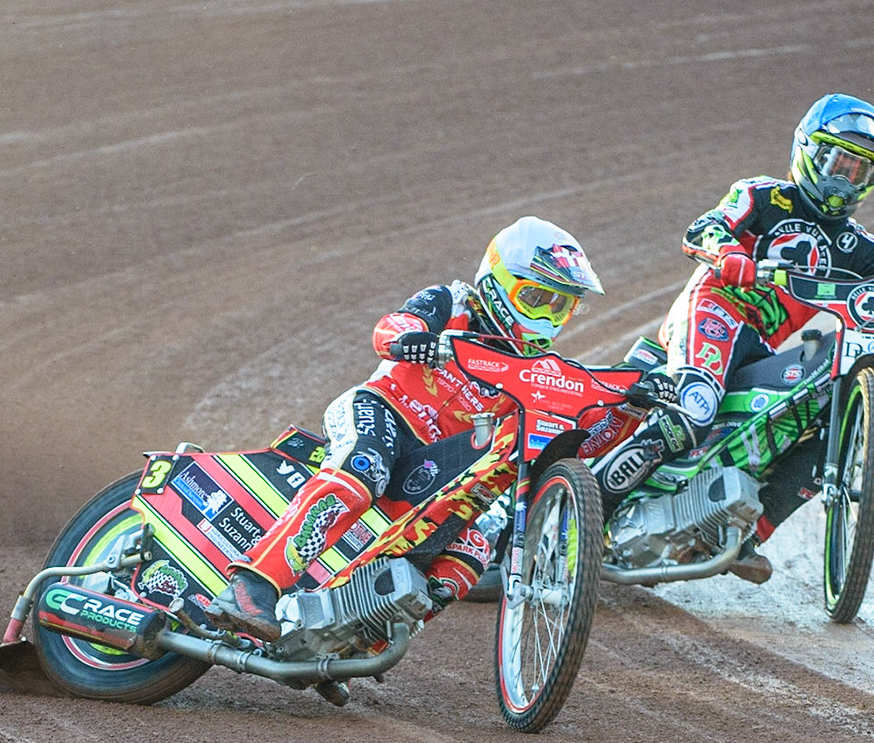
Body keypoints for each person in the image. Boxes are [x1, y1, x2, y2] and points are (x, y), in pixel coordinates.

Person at [589, 93, 874, 580]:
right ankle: (586, 505)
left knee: (825, 417)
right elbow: (704, 228)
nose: (845, 180)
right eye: (838, 162)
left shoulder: (857, 245)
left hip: (761, 346)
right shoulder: (762, 196)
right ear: (807, 150)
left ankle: (745, 532)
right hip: (716, 310)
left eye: (861, 172)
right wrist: (727, 252)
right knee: (696, 405)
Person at [207, 217, 676, 641]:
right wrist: (415, 341)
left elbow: (576, 444)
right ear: (497, 282)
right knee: (362, 471)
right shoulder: (452, 303)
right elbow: (391, 327)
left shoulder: (538, 368)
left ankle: (341, 637)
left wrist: (628, 410)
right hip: (383, 411)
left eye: (561, 307)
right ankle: (252, 585)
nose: (546, 316)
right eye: (536, 297)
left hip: (438, 469)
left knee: (470, 552)